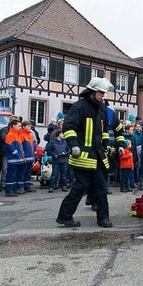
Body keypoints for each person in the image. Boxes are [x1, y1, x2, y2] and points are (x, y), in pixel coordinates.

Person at [56, 77, 115, 228]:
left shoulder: (101, 108)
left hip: (97, 155)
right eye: (101, 93)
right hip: (82, 155)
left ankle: (103, 218)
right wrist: (74, 145)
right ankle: (65, 216)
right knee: (80, 186)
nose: (103, 96)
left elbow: (104, 130)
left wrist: (106, 144)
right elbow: (68, 127)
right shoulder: (79, 107)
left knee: (101, 187)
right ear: (92, 92)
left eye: (104, 93)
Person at [4, 119, 24, 197]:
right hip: (13, 159)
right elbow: (10, 146)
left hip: (17, 159)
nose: (20, 127)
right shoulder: (10, 135)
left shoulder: (17, 135)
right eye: (19, 126)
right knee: (11, 175)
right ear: (14, 126)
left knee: (15, 175)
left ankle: (13, 189)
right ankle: (9, 191)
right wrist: (17, 155)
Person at [20, 121, 37, 193]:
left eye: (30, 126)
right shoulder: (21, 135)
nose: (30, 128)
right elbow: (21, 147)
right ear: (23, 127)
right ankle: (20, 187)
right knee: (22, 173)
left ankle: (27, 186)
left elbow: (34, 146)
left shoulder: (31, 135)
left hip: (30, 157)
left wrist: (34, 155)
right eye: (28, 126)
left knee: (28, 173)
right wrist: (23, 156)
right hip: (25, 157)